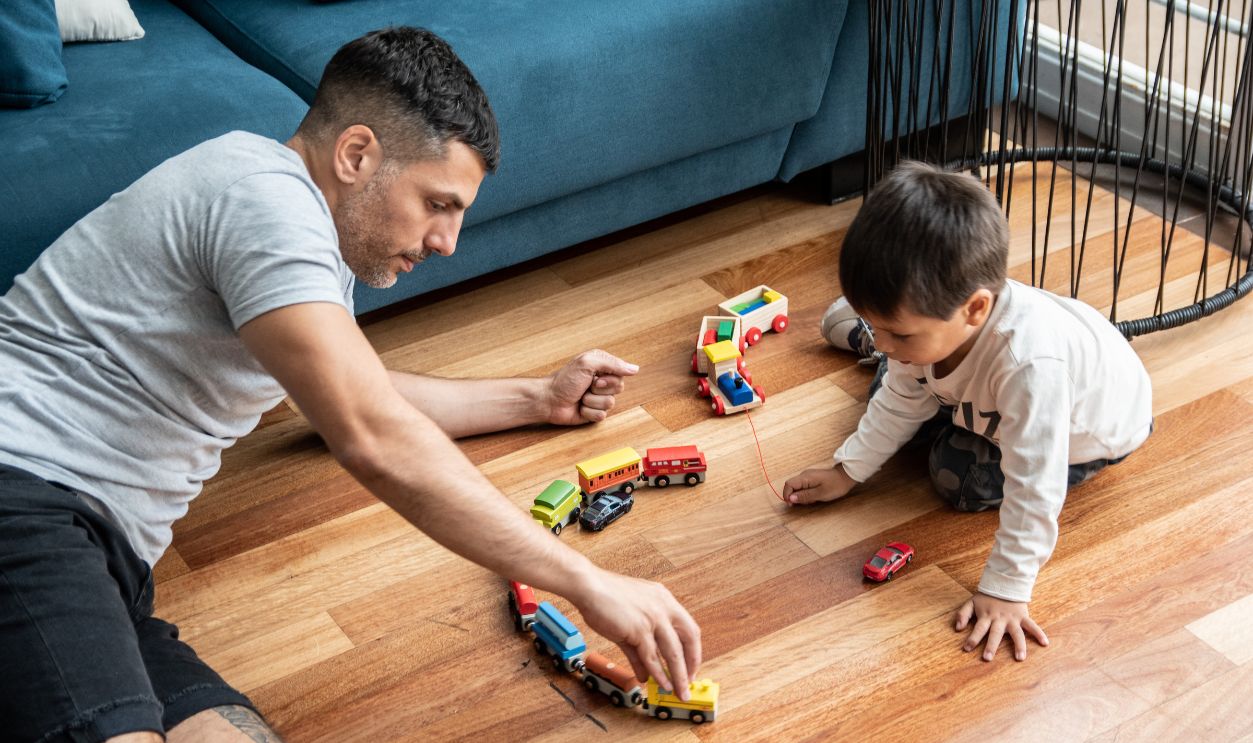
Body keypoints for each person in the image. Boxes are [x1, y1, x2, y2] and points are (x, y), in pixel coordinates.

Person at [0, 27, 699, 743]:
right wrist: (586, 580)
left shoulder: (296, 240)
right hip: (23, 496)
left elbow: (345, 392)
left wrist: (537, 398)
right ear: (356, 153)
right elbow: (369, 431)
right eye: (438, 202)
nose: (446, 241)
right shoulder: (263, 202)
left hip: (103, 562)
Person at [783, 160, 1153, 663]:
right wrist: (847, 470)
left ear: (975, 309)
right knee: (896, 384)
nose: (889, 343)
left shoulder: (1029, 369)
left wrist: (1007, 587)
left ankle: (899, 363)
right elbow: (899, 391)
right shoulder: (941, 328)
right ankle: (887, 339)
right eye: (878, 327)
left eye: (897, 331)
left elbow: (1036, 485)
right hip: (978, 381)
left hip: (1083, 432)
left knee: (957, 476)